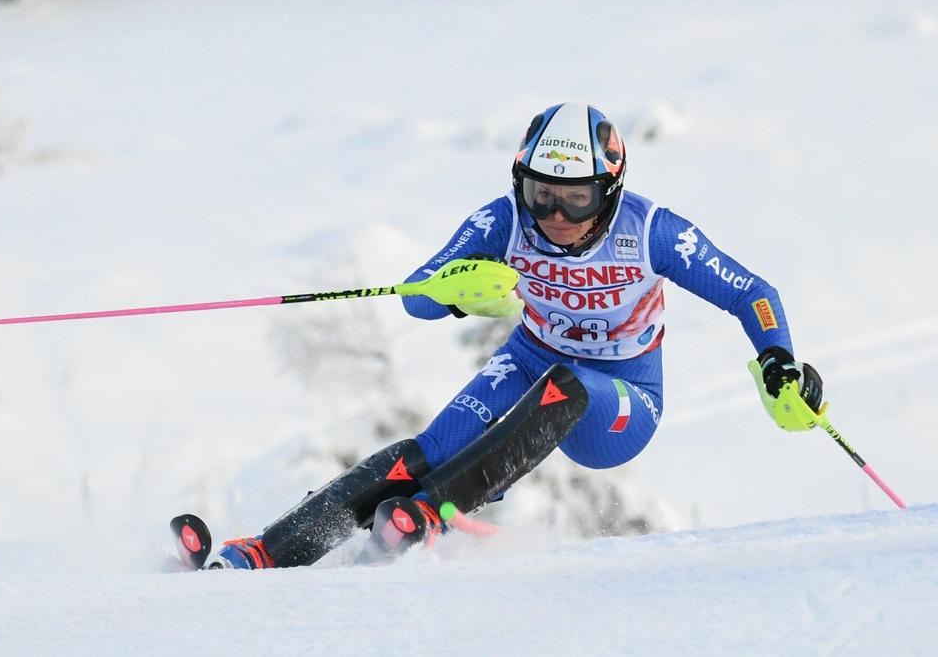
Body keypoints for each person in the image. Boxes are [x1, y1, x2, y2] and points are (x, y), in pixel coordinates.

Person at [204, 102, 824, 570]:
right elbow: (416, 295)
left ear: (610, 192)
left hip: (623, 401)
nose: (554, 216)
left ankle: (434, 513)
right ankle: (268, 551)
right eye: (541, 194)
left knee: (570, 381)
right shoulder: (504, 219)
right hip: (530, 362)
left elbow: (753, 294)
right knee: (431, 446)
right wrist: (453, 286)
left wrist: (780, 361)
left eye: (576, 200)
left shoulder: (652, 230)